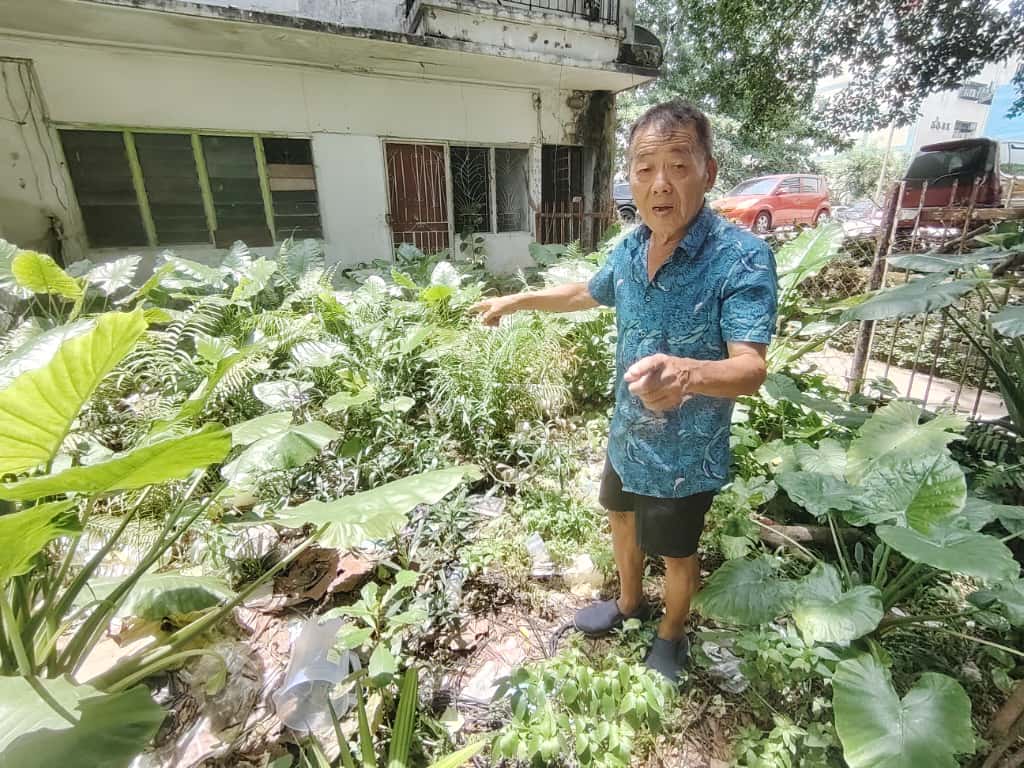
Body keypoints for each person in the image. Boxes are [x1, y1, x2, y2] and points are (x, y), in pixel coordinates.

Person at [471, 100, 778, 682]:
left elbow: (751, 369)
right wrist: (517, 300)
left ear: (708, 173)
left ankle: (671, 632)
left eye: (678, 166)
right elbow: (587, 292)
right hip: (627, 434)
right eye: (644, 168)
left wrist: (685, 375)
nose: (660, 184)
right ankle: (629, 603)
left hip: (688, 451)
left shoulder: (741, 257)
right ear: (630, 179)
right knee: (620, 520)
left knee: (678, 551)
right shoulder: (632, 247)